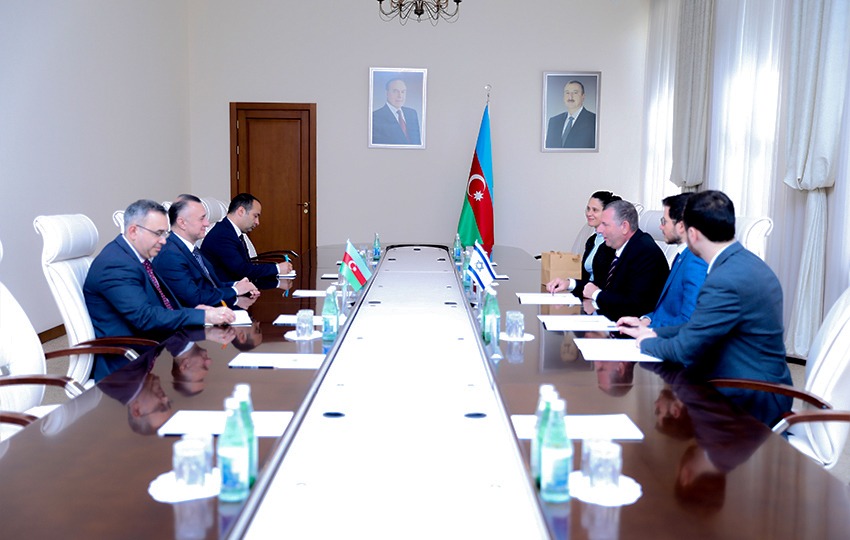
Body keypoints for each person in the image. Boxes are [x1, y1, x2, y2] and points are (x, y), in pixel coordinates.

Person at [618, 190, 793, 425]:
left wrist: (644, 342)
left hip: (748, 396)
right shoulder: (743, 263)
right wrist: (653, 332)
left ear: (692, 233)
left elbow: (684, 349)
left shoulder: (724, 280)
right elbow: (697, 327)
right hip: (753, 383)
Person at [84, 199, 236, 343]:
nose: (163, 240)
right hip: (135, 352)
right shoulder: (116, 264)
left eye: (165, 234)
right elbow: (145, 318)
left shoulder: (135, 257)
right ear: (133, 231)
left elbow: (161, 305)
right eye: (158, 233)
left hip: (161, 339)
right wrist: (202, 316)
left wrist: (195, 311)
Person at [547, 200, 669, 322]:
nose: (599, 230)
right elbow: (601, 285)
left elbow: (634, 305)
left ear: (624, 227)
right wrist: (570, 284)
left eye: (605, 225)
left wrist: (596, 294)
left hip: (632, 327)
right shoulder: (615, 247)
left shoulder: (644, 252)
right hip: (610, 319)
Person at [618, 193, 708, 329]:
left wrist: (648, 329)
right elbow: (666, 309)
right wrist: (647, 319)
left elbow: (688, 321)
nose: (661, 227)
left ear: (681, 226)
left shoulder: (696, 261)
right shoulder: (681, 256)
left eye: (664, 221)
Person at [152, 195, 259, 308]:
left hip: (214, 309)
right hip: (195, 316)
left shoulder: (192, 249)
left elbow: (212, 285)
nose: (207, 223)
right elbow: (195, 299)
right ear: (182, 223)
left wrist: (237, 285)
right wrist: (235, 290)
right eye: (201, 218)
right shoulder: (170, 256)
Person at [200, 193, 294, 282]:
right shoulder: (222, 235)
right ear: (241, 211)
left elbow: (246, 266)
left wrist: (277, 276)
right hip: (225, 290)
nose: (257, 222)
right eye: (255, 216)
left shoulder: (232, 231)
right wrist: (277, 268)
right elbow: (242, 270)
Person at [545, 80, 597, 149]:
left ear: (583, 96)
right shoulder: (554, 121)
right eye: (567, 93)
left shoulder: (594, 121)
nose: (570, 97)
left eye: (575, 93)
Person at [371, 77, 422, 145]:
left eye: (403, 92)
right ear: (387, 93)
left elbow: (417, 143)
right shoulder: (375, 117)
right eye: (395, 91)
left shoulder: (412, 113)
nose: (400, 96)